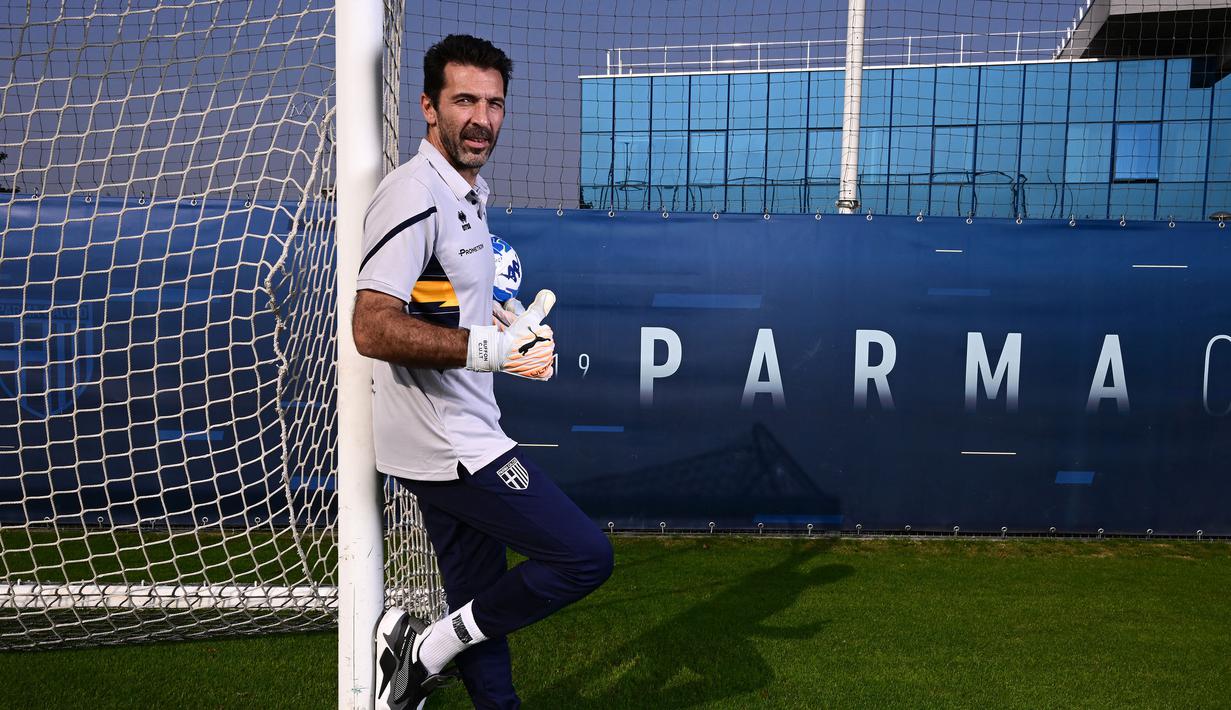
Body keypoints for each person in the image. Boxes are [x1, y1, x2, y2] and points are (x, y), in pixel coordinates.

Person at [352, 34, 614, 710]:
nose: (481, 118)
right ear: (428, 108)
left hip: (457, 432)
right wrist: (485, 350)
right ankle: (427, 649)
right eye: (463, 100)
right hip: (450, 444)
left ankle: (436, 677)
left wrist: (503, 317)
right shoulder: (413, 192)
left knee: (479, 603)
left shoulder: (466, 191)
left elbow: (437, 298)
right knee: (584, 556)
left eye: (493, 103)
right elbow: (371, 324)